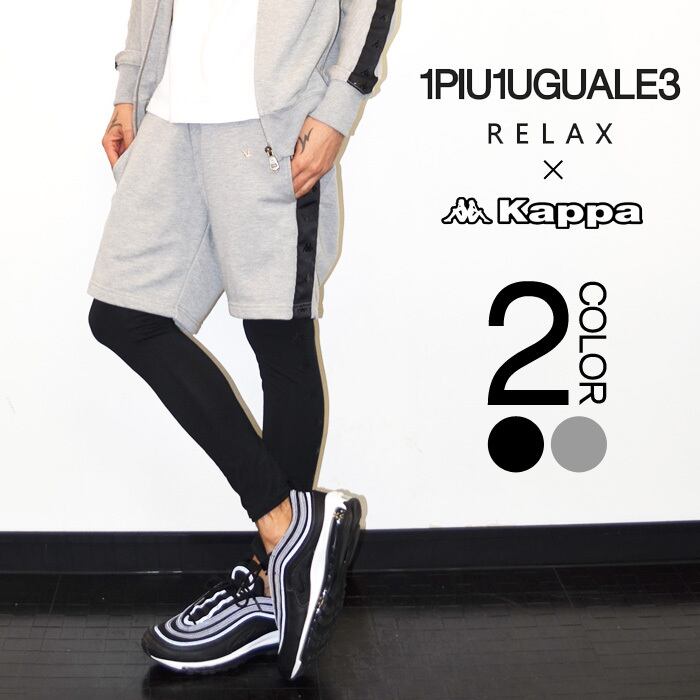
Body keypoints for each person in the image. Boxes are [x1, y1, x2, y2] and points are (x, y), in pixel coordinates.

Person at [85, 0, 396, 681]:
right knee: (122, 315)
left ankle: (268, 584)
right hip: (171, 113)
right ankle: (287, 536)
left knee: (277, 337)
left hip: (273, 122)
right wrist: (130, 87)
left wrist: (340, 106)